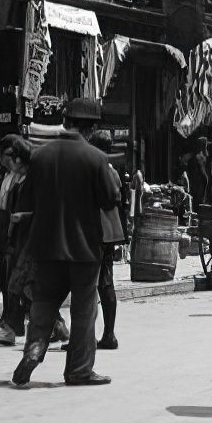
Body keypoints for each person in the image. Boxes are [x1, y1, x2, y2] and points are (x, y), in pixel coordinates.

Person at [9, 97, 121, 387]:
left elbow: (26, 202)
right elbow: (110, 199)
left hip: (45, 246)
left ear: (66, 123)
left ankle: (33, 352)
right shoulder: (96, 158)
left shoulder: (40, 157)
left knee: (44, 304)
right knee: (84, 310)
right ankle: (79, 370)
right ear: (91, 128)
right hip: (84, 248)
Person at [0, 136, 35, 347]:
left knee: (19, 285)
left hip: (28, 241)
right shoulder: (10, 177)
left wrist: (23, 217)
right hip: (14, 239)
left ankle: (13, 329)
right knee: (19, 286)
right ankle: (51, 326)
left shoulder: (30, 179)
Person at [88, 129, 125, 350]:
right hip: (107, 233)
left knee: (96, 284)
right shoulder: (111, 170)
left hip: (97, 233)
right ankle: (108, 334)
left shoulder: (100, 169)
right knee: (104, 283)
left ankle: (98, 335)